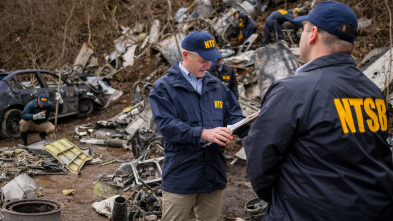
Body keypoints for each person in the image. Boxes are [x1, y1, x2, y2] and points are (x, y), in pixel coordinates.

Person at [244, 1, 393, 220]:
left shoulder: (292, 90)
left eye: (302, 30)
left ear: (312, 33)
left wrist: (283, 198)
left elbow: (259, 162)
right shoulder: (371, 91)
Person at [149, 31, 248, 221]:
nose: (208, 65)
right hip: (181, 174)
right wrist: (203, 134)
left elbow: (234, 116)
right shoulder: (163, 88)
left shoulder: (217, 86)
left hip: (213, 175)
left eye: (210, 60)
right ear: (185, 55)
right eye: (203, 60)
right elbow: (167, 126)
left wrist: (253, 125)